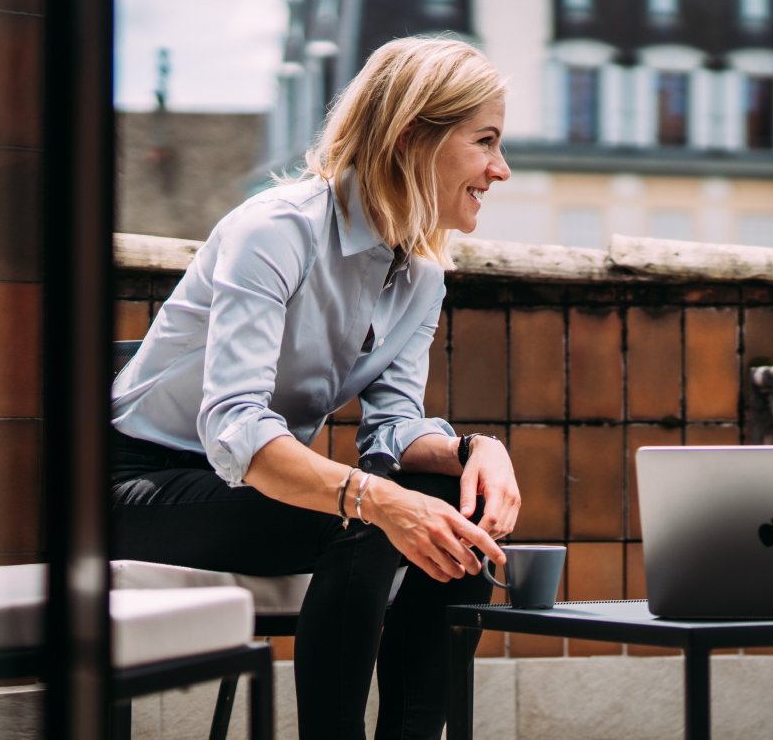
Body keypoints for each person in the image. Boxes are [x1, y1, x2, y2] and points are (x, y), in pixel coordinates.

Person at [109, 36, 521, 740]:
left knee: (462, 520)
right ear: (414, 136)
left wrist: (474, 451)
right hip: (138, 486)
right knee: (364, 517)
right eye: (484, 141)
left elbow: (390, 428)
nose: (500, 169)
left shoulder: (420, 273)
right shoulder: (275, 231)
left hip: (250, 491)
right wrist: (377, 496)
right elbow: (236, 425)